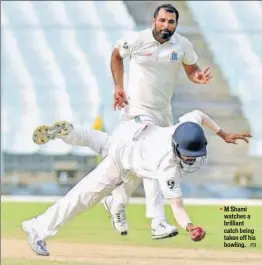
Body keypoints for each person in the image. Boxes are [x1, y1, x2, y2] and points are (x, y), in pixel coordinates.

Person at [25, 109, 251, 256]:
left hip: (132, 132)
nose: (190, 159)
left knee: (101, 141)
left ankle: (71, 132)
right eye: (187, 155)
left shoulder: (185, 128)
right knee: (82, 198)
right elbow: (177, 206)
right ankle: (36, 228)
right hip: (122, 162)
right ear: (176, 147)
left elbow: (199, 114)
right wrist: (190, 226)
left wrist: (222, 133)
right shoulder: (168, 167)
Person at [104, 3, 213, 237]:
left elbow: (191, 68)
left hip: (163, 112)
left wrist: (198, 76)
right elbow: (115, 56)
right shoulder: (136, 40)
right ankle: (157, 221)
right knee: (157, 164)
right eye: (162, 20)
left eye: (171, 22)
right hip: (137, 111)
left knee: (138, 167)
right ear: (154, 21)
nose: (166, 25)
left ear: (176, 24)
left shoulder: (182, 44)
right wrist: (118, 88)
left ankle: (117, 202)